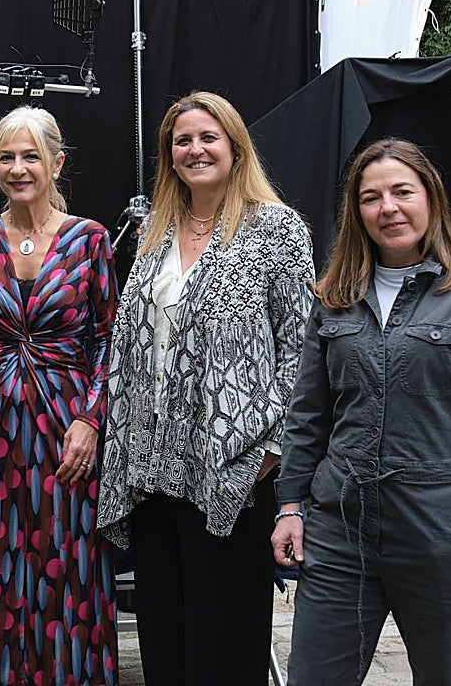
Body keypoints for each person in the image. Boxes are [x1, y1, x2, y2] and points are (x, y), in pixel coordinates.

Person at [98, 91, 314, 686]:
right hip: (151, 473)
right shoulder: (154, 232)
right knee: (165, 645)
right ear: (169, 156)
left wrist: (270, 454)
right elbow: (131, 345)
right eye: (183, 140)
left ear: (235, 145)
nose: (195, 149)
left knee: (225, 649)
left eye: (208, 137)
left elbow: (301, 354)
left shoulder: (277, 231)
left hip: (231, 472)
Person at [272, 138, 451, 685]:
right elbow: (309, 413)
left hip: (441, 531)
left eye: (402, 192)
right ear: (356, 212)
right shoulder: (335, 297)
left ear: (431, 198)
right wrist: (290, 505)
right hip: (342, 528)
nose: (388, 208)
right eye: (371, 197)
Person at [0, 107, 119, 685]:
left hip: (67, 433)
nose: (19, 169)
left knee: (65, 563)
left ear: (56, 163)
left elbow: (108, 340)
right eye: (7, 157)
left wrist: (92, 421)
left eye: (31, 156)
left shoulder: (88, 239)